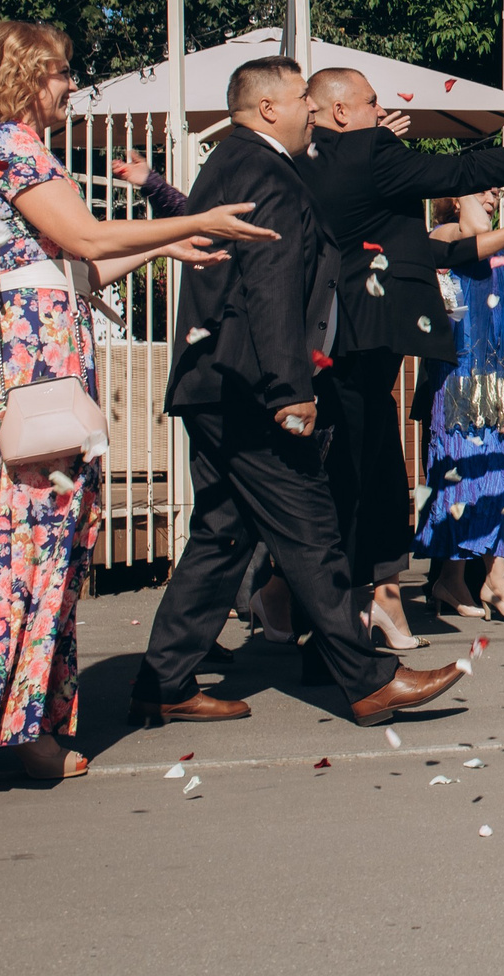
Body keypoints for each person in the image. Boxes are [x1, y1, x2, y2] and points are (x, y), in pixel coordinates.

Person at [0, 22, 272, 778]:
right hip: (35, 357)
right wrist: (197, 218)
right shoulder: (14, 145)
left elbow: (77, 267)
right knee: (36, 539)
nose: (69, 86)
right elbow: (84, 240)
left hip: (22, 346)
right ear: (22, 75)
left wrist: (161, 245)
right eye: (59, 72)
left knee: (0, 540)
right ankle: (16, 729)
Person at [129, 55, 472, 731]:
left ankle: (164, 679)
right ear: (266, 109)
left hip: (212, 380)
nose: (310, 112)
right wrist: (291, 387)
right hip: (250, 386)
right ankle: (369, 680)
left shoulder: (229, 163)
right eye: (300, 101)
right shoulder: (264, 169)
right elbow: (270, 285)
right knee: (312, 527)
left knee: (222, 532)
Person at [297, 68, 504, 635]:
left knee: (360, 480)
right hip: (368, 337)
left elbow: (425, 250)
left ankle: (365, 605)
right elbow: (466, 169)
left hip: (335, 335)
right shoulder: (366, 150)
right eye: (372, 103)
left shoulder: (308, 161)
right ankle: (341, 621)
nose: (383, 113)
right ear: (342, 112)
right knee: (361, 483)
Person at [419, 192, 504, 620]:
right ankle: (495, 578)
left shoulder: (495, 246)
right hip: (459, 379)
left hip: (497, 378)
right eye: (485, 191)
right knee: (465, 477)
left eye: (497, 192)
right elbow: (472, 233)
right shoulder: (445, 233)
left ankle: (453, 580)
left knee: (495, 476)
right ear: (456, 198)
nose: (493, 198)